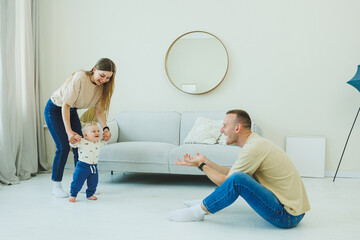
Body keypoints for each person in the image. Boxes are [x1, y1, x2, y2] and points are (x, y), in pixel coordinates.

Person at [167, 109, 310, 228]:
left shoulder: (253, 148)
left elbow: (228, 182)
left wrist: (201, 166)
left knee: (237, 180)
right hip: (293, 211)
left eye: (224, 126)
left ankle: (198, 211)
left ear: (237, 128)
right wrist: (206, 162)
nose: (222, 130)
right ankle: (205, 202)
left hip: (288, 216)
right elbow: (232, 175)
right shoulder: (255, 143)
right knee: (237, 178)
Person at [44, 58, 116, 198]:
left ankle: (81, 183)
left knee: (80, 145)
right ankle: (56, 185)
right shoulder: (80, 78)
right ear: (94, 69)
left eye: (108, 77)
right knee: (63, 147)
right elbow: (65, 105)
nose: (104, 79)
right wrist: (69, 131)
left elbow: (99, 111)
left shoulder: (102, 87)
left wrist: (105, 128)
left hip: (71, 110)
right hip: (55, 109)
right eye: (102, 75)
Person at [69, 122, 106, 203]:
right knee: (77, 181)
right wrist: (73, 140)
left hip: (93, 166)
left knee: (93, 182)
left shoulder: (99, 142)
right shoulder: (81, 141)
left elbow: (105, 141)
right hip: (82, 166)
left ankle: (90, 194)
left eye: (98, 131)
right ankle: (73, 195)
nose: (97, 133)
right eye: (93, 131)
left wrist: (106, 136)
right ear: (86, 135)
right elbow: (73, 144)